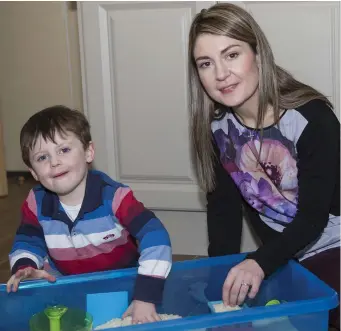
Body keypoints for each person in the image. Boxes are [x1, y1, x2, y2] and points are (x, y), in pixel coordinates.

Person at [188, 3, 340, 329]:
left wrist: (259, 263)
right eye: (205, 63)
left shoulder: (313, 119)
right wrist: (220, 279)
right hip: (285, 252)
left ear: (257, 53)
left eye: (231, 55)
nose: (220, 74)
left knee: (323, 314)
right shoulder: (216, 130)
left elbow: (313, 218)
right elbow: (223, 215)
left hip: (333, 242)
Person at [7, 105, 172, 325]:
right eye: (42, 157)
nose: (54, 162)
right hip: (66, 285)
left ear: (88, 152)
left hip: (123, 284)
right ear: (34, 172)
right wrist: (26, 267)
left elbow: (156, 235)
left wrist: (145, 296)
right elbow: (28, 240)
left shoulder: (115, 197)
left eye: (64, 150)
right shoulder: (36, 202)